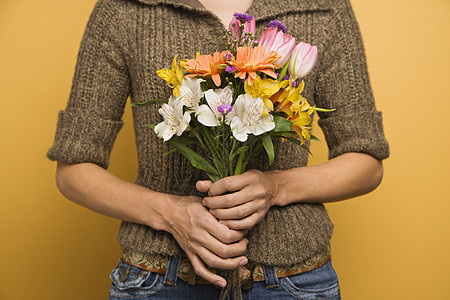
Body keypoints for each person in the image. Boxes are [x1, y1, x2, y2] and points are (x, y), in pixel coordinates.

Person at [47, 0, 390, 299]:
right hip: (159, 279)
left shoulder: (324, 8)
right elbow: (73, 171)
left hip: (294, 281)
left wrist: (275, 187)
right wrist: (171, 213)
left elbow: (366, 161)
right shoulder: (123, 9)